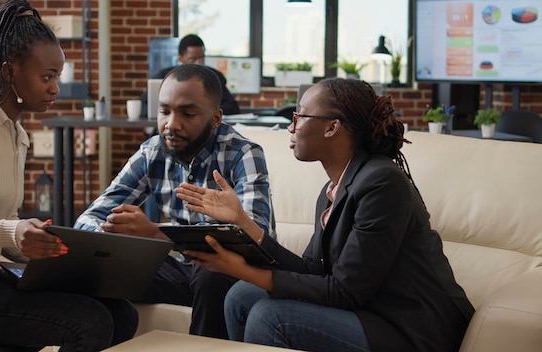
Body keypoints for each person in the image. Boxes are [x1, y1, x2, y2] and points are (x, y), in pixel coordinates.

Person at [174, 78, 475, 351]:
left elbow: (345, 291)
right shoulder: (332, 190)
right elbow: (313, 270)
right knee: (242, 296)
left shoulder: (383, 183)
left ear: (332, 127)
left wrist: (242, 269)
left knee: (272, 317)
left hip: (412, 329)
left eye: (300, 116)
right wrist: (242, 221)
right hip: (369, 313)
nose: (291, 127)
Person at [0, 1, 138, 351]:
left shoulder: (16, 134)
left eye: (56, 77)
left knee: (122, 313)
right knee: (88, 322)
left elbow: (0, 228)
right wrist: (13, 230)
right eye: (46, 77)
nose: (55, 89)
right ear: (9, 72)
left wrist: (46, 250)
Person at [74, 63, 273, 339]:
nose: (172, 124)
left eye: (188, 114)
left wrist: (158, 235)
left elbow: (255, 241)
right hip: (180, 269)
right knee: (103, 263)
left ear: (216, 118)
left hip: (232, 273)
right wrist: (111, 239)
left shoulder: (243, 155)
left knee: (211, 274)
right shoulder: (152, 152)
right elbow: (88, 218)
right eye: (164, 111)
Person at [139, 34, 241, 117]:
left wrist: (202, 110)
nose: (198, 63)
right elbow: (143, 107)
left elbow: (232, 107)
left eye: (201, 58)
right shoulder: (164, 76)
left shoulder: (215, 76)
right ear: (180, 59)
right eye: (193, 59)